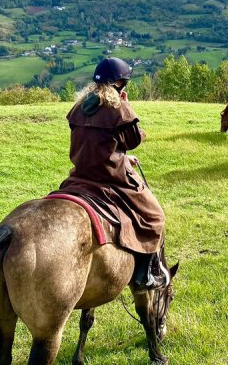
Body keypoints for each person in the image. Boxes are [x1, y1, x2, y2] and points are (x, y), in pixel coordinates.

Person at [53, 57, 168, 290]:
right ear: (119, 83)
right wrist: (127, 107)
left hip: (81, 173)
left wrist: (123, 156)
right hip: (109, 176)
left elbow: (96, 143)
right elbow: (133, 139)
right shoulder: (118, 107)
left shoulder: (79, 106)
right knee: (155, 217)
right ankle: (143, 275)